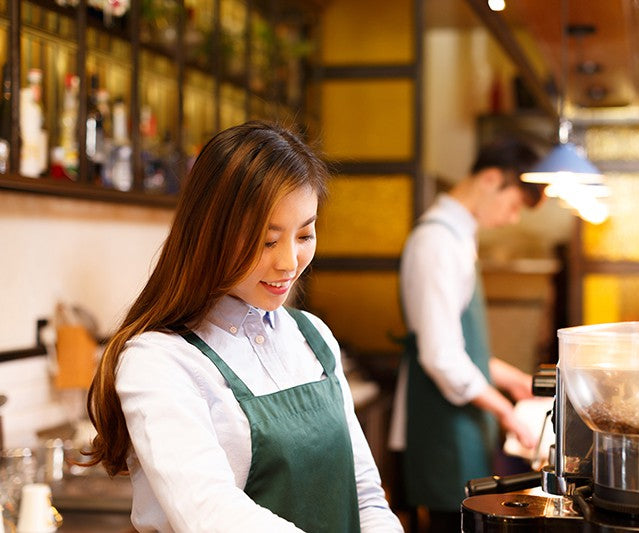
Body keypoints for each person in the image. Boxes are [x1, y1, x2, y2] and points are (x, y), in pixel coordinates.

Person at [83, 121, 404, 532]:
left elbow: (365, 496)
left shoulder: (313, 337)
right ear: (211, 234)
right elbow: (212, 515)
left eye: (304, 234)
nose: (289, 262)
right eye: (268, 241)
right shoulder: (159, 361)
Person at [388, 137, 546, 531]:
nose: (513, 219)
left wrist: (514, 381)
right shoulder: (436, 241)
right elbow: (441, 355)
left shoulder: (460, 237)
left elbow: (463, 345)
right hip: (441, 423)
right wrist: (505, 410)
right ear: (491, 178)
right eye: (514, 206)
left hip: (459, 417)